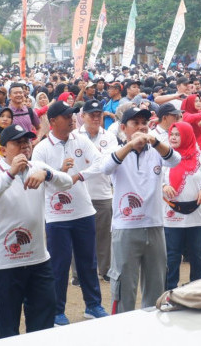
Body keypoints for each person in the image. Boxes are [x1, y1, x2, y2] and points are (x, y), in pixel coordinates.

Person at [0, 124, 74, 339]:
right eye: (17, 143)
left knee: (43, 322)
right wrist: (10, 174)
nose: (24, 147)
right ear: (3, 150)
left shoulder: (37, 166)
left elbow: (67, 182)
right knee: (8, 326)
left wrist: (47, 174)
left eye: (27, 142)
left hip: (39, 259)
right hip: (6, 261)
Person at [31, 101, 109, 325]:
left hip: (83, 210)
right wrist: (60, 174)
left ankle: (93, 305)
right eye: (67, 116)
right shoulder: (42, 149)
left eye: (73, 114)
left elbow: (101, 162)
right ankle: (56, 311)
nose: (72, 118)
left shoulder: (80, 140)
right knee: (59, 265)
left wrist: (79, 176)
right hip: (57, 216)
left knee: (88, 262)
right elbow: (39, 177)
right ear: (53, 122)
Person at [101, 107, 181, 313]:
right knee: (123, 287)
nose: (141, 127)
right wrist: (129, 145)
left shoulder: (155, 150)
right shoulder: (117, 151)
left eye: (144, 123)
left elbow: (175, 160)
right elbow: (105, 168)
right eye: (135, 123)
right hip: (125, 227)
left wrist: (153, 141)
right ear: (123, 128)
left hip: (154, 225)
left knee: (156, 286)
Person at [162, 122, 201, 289]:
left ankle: (196, 287)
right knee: (172, 255)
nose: (173, 137)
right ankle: (170, 289)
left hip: (196, 214)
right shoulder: (164, 156)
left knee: (197, 254)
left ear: (187, 135)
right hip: (172, 214)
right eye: (172, 134)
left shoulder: (200, 157)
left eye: (178, 134)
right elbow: (154, 178)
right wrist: (164, 186)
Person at [77, 99, 119, 282]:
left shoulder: (109, 136)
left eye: (98, 115)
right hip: (79, 192)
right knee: (79, 237)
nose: (95, 118)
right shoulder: (74, 135)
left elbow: (107, 162)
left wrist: (92, 153)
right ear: (82, 116)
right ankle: (78, 273)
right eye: (91, 114)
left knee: (103, 235)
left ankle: (105, 269)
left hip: (102, 191)